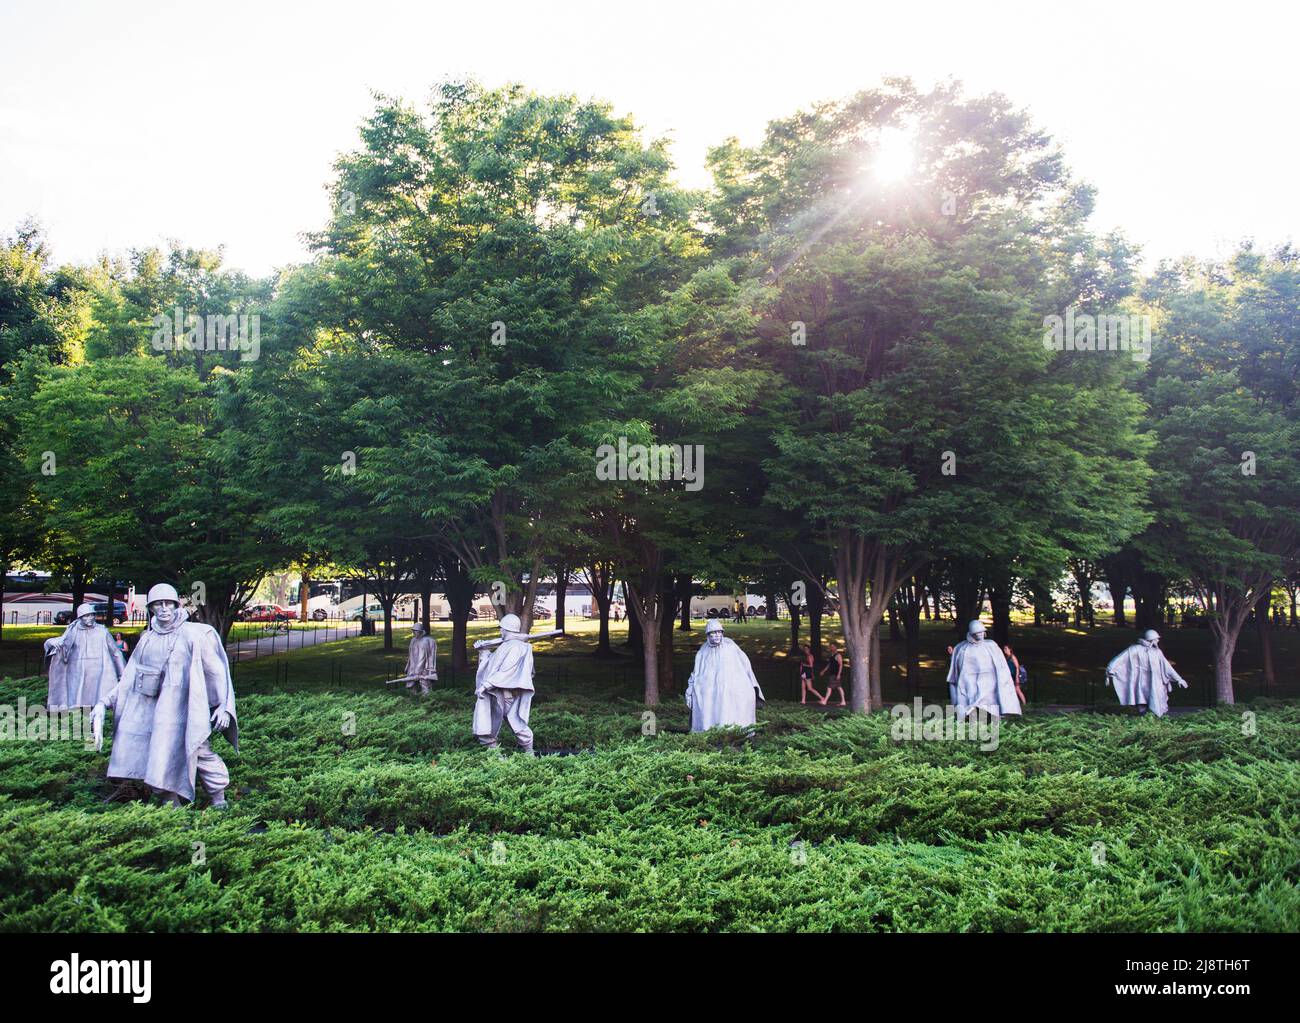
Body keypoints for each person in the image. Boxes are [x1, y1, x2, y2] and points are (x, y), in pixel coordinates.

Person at [90, 583, 238, 808]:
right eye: (158, 604)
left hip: (186, 711)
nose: (164, 609)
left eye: (169, 603)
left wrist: (223, 707)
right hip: (156, 715)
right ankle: (173, 807)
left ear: (176, 605)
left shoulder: (195, 635)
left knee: (201, 754)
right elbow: (129, 680)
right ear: (151, 608)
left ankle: (219, 801)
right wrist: (103, 703)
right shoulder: (147, 640)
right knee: (158, 758)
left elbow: (216, 671)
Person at [685, 619, 764, 731]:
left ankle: (732, 732)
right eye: (714, 632)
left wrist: (751, 686)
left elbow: (745, 666)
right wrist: (690, 690)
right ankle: (709, 732)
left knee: (728, 705)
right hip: (709, 691)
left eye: (719, 632)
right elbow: (696, 673)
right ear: (708, 635)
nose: (717, 635)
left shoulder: (730, 648)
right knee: (707, 703)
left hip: (731, 688)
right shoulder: (703, 652)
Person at [43, 603, 125, 711]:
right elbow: (60, 644)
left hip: (98, 670)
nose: (90, 618)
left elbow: (116, 653)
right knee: (76, 702)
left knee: (99, 699)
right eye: (86, 616)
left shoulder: (102, 631)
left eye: (92, 615)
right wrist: (50, 642)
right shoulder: (72, 631)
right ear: (80, 618)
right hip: (77, 670)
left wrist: (123, 674)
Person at [472, 613, 535, 753]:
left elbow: (506, 671)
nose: (500, 631)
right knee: (490, 724)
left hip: (504, 693)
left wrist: (485, 685)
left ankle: (528, 753)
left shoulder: (516, 647)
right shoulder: (506, 645)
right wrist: (483, 651)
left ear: (507, 629)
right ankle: (498, 757)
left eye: (502, 629)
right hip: (496, 691)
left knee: (513, 723)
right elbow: (491, 666)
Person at [947, 620, 1021, 718]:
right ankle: (969, 713)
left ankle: (990, 714)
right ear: (971, 633)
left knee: (989, 698)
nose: (980, 635)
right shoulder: (961, 648)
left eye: (982, 632)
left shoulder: (991, 645)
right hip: (969, 678)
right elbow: (957, 668)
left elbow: (1001, 665)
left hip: (989, 679)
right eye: (977, 633)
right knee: (969, 695)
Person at [1106, 629, 1187, 717]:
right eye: (1156, 639)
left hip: (1156, 681)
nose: (1158, 641)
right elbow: (1120, 659)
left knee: (1159, 701)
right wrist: (1110, 670)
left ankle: (1154, 720)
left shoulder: (1157, 652)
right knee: (1142, 701)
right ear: (1151, 640)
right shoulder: (1135, 649)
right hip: (1142, 682)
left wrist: (1179, 679)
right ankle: (1144, 719)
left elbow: (1167, 667)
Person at [403, 622, 438, 695]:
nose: (414, 633)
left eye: (416, 631)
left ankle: (427, 699)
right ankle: (413, 697)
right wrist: (409, 666)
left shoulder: (425, 641)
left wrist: (418, 670)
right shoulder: (413, 640)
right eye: (413, 631)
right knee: (410, 683)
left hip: (422, 667)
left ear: (421, 632)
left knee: (424, 683)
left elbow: (423, 657)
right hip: (412, 666)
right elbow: (411, 654)